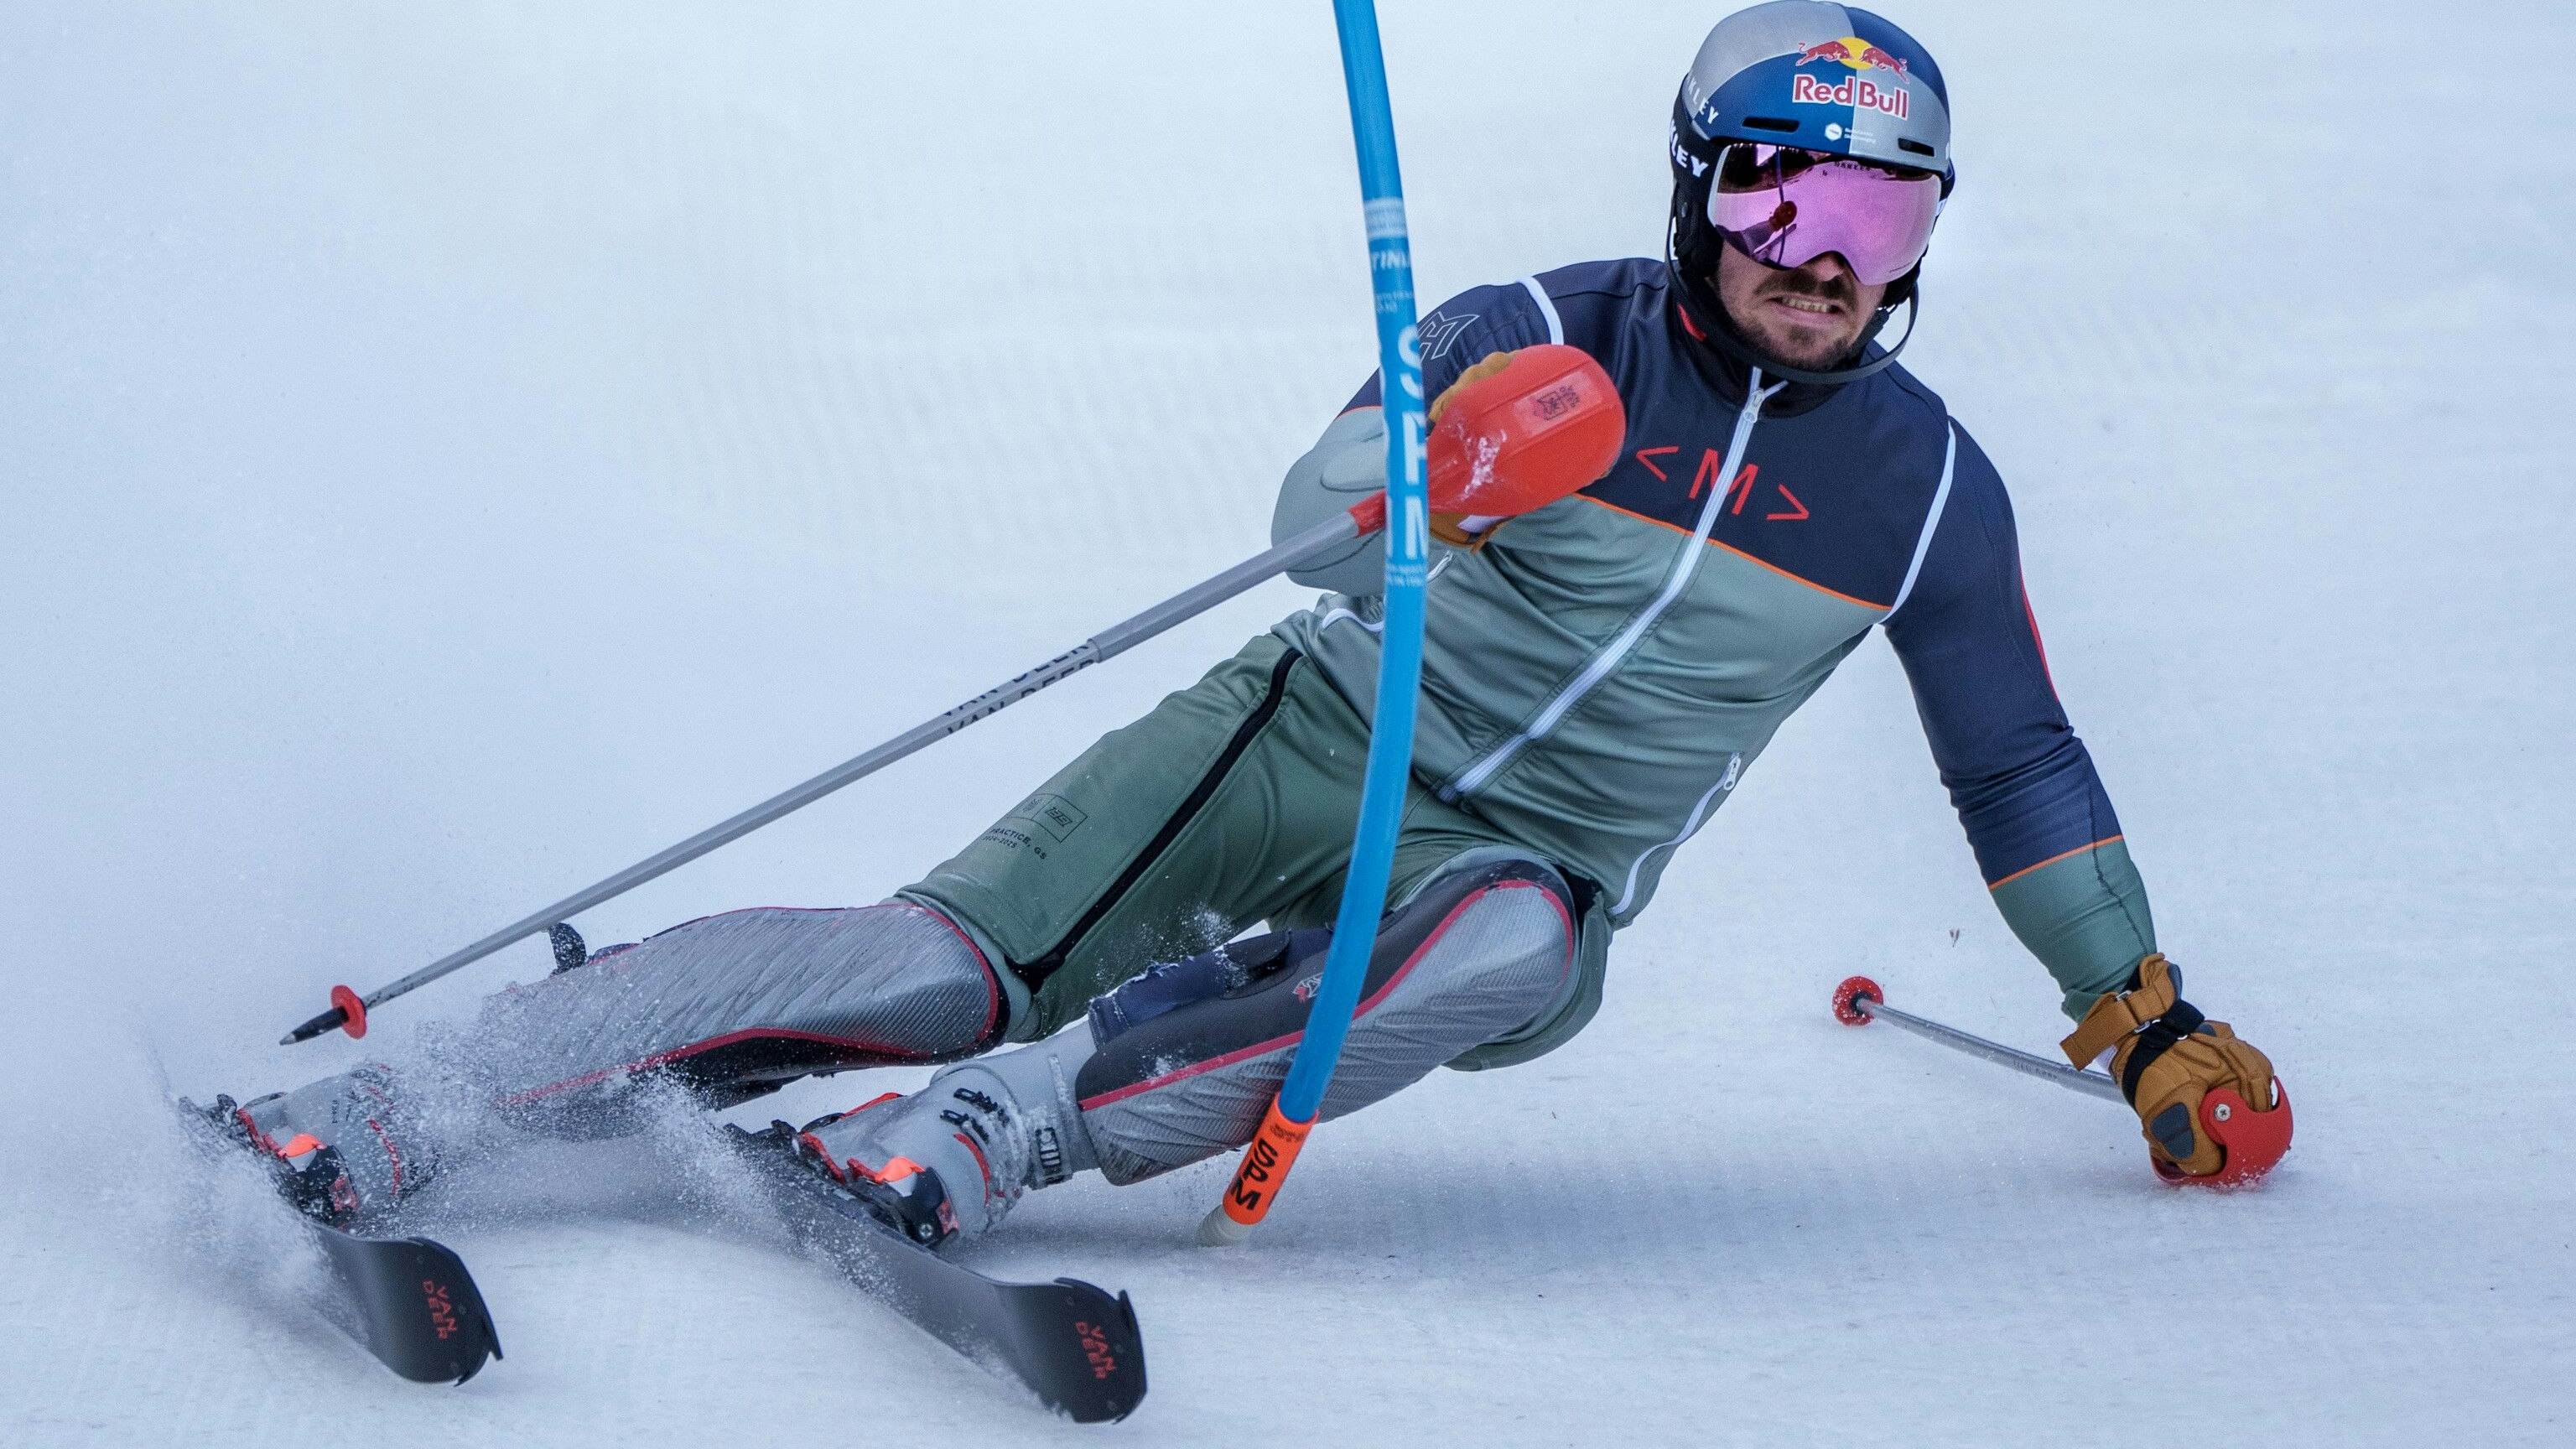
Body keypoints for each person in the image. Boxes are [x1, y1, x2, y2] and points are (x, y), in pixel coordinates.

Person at [208, 2, 2285, 1244]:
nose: (1820, 260)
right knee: (941, 967)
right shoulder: (1552, 327)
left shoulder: (1924, 487)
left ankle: (989, 1144)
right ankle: (435, 1089)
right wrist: (1431, 478)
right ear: (1697, 188)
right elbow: (1311, 521)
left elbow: (2014, 760)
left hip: (1519, 858)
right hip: (1311, 722)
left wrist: (2146, 1012)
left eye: (1878, 217)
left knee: (1511, 945)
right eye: (1777, 197)